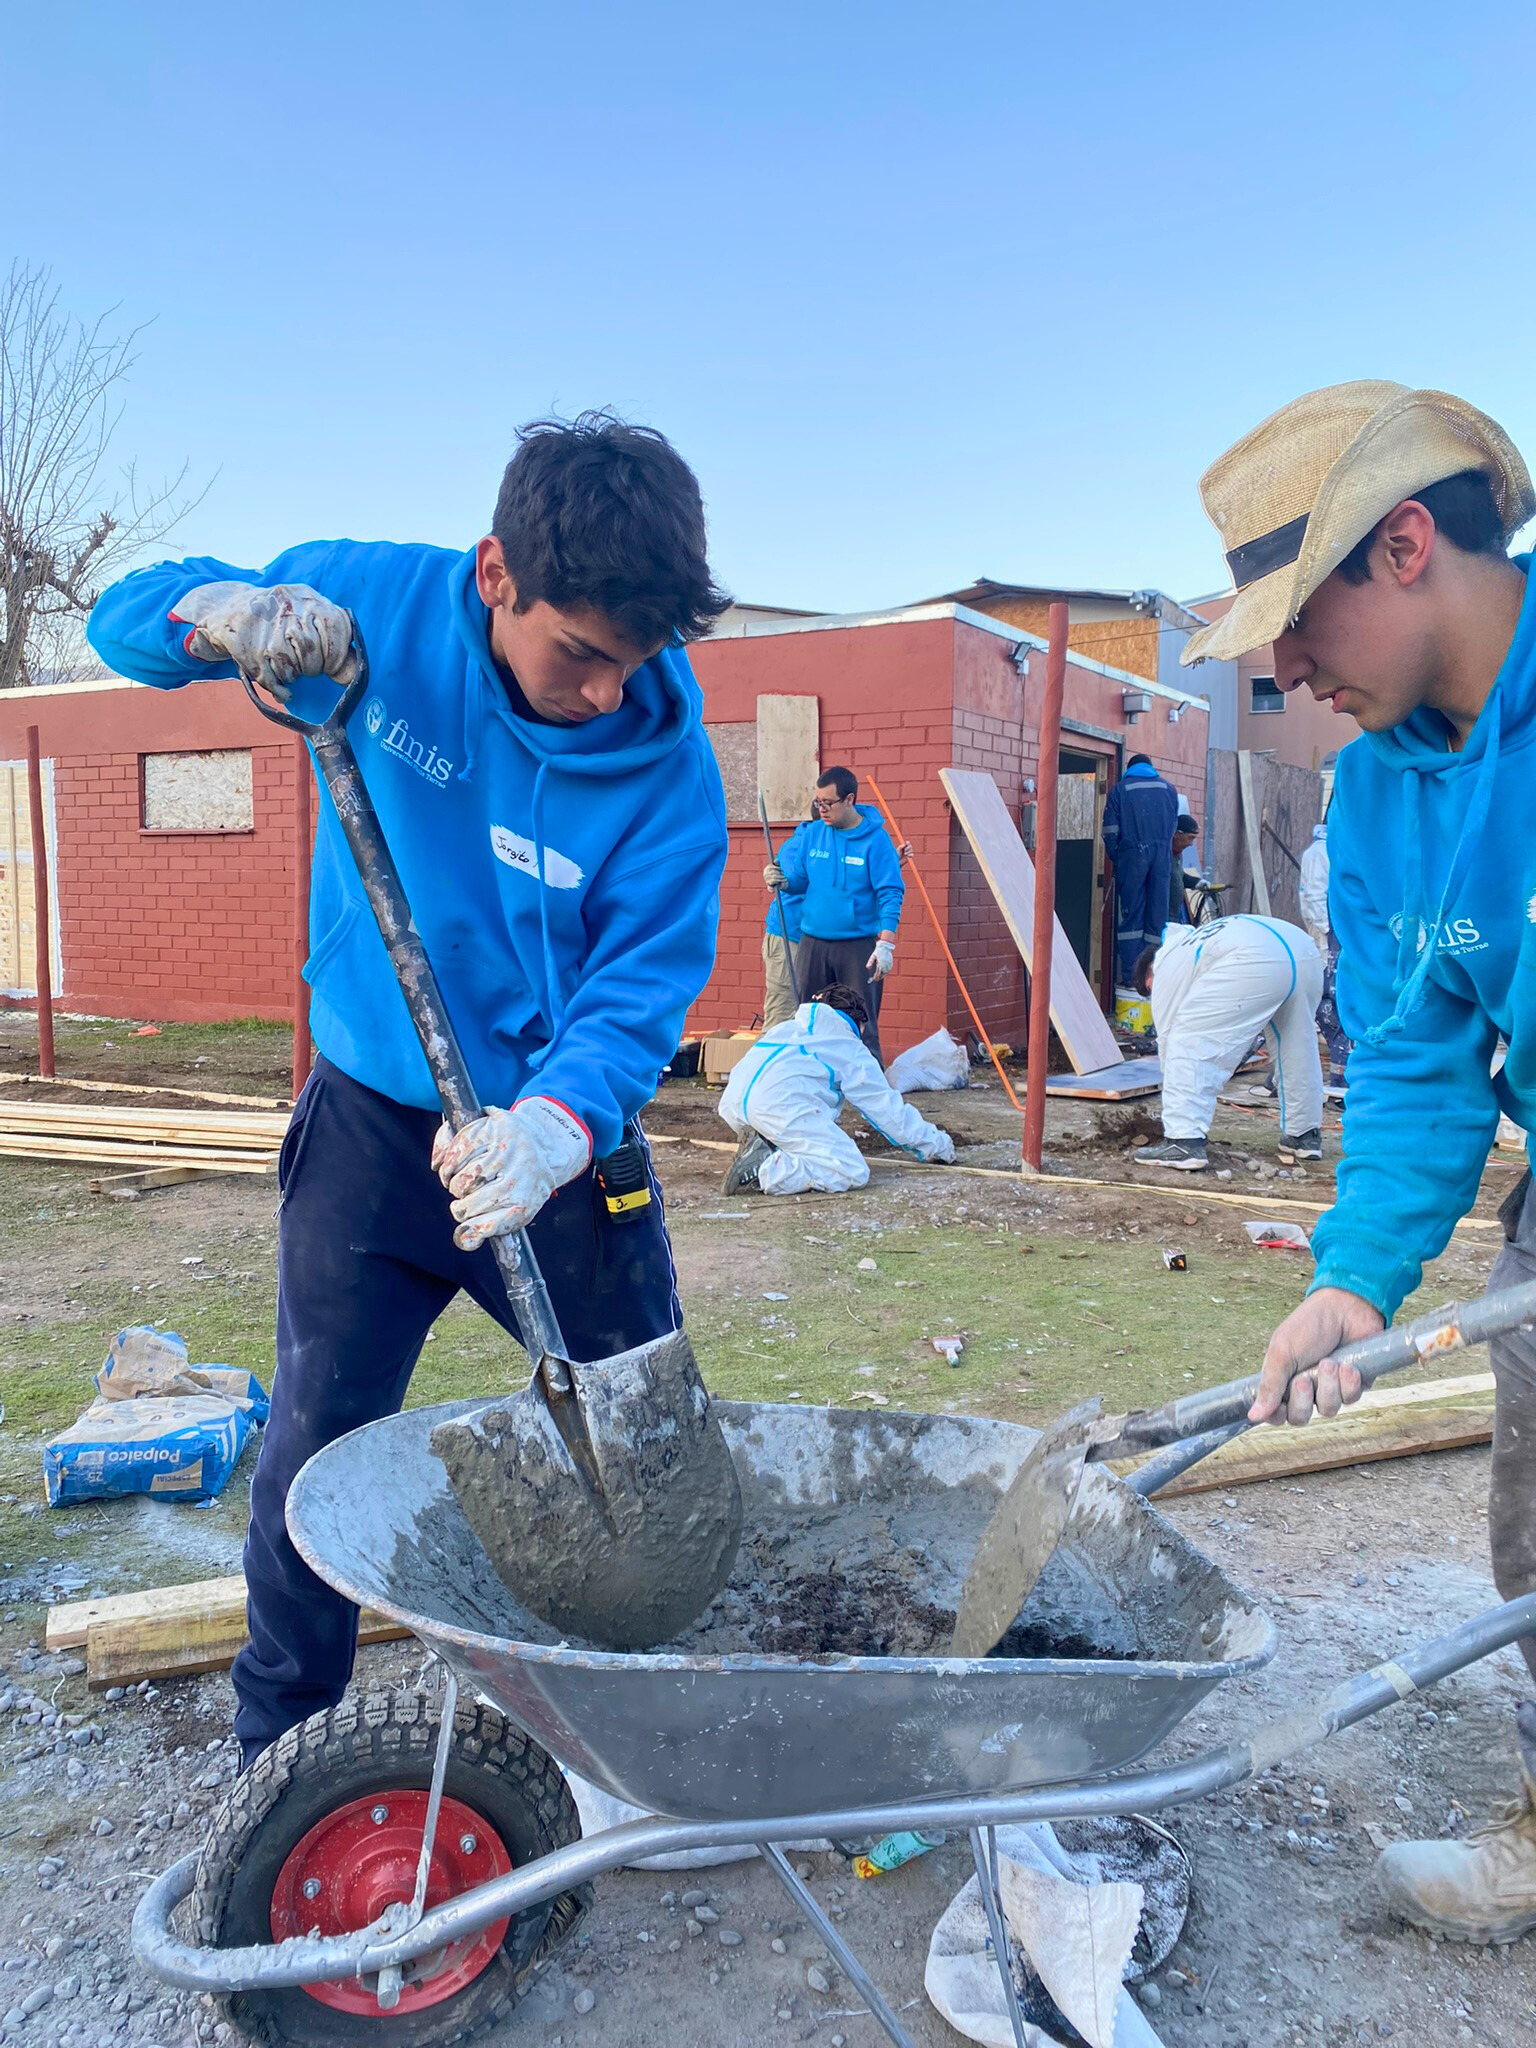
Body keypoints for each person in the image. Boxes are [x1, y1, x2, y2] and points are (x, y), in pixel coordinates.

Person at [87, 412, 731, 1766]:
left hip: (554, 1158)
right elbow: (122, 625)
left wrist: (556, 1127)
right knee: (315, 1447)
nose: (612, 690)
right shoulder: (369, 605)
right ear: (496, 574)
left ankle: (649, 1739)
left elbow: (640, 990)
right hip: (373, 1135)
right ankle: (280, 1754)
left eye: (641, 658)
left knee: (641, 1450)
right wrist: (223, 614)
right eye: (584, 655)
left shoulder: (665, 769)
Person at [1181, 379, 1536, 1942]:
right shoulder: (1384, 797)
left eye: (1293, 617)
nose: (1280, 665)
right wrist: (1353, 1283)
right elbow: (1410, 1064)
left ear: (1403, 547)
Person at [718, 984, 955, 1194]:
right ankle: (767, 1167)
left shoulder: (785, 1028)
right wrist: (937, 1145)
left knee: (798, 1134)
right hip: (780, 1107)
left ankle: (765, 1143)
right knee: (850, 1169)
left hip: (734, 1105)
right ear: (859, 1024)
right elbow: (887, 1112)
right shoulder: (848, 1046)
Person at [1130, 915, 1324, 1172]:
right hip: (1303, 951)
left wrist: (1175, 1100)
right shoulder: (1199, 942)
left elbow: (1169, 1037)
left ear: (1149, 972)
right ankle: (1304, 1135)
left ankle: (1183, 1141)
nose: (1153, 993)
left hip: (1252, 956)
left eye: (1149, 989)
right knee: (1296, 1043)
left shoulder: (1168, 962)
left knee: (1187, 1038)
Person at [765, 766, 904, 1060]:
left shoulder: (876, 841)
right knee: (809, 1021)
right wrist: (782, 881)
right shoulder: (814, 833)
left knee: (861, 1023)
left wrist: (886, 944)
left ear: (850, 799)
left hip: (857, 946)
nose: (822, 810)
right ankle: (813, 1087)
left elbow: (890, 893)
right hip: (813, 943)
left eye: (828, 803)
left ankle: (867, 1095)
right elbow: (802, 880)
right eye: (818, 803)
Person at [1102, 753, 1180, 983]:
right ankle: (1154, 979)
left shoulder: (1120, 790)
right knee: (1156, 920)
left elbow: (1109, 832)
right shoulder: (1169, 790)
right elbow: (1173, 828)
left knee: (1131, 921)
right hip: (1161, 860)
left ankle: (1131, 979)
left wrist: (1119, 858)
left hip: (1133, 857)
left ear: (1129, 769)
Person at [1299, 818, 1350, 1095]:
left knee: (1335, 1003)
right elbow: (1313, 897)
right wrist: (1327, 932)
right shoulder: (1321, 853)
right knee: (1329, 1005)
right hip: (1330, 936)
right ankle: (1339, 1081)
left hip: (1335, 934)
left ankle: (1341, 1078)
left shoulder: (1335, 849)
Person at [1168, 813, 1201, 924]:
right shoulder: (1163, 856)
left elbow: (1178, 876)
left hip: (1174, 916)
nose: (1191, 844)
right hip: (1163, 916)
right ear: (1177, 834)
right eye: (1190, 838)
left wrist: (1197, 883)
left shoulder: (1177, 854)